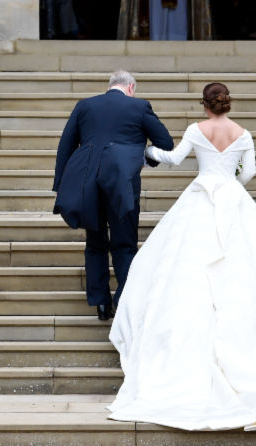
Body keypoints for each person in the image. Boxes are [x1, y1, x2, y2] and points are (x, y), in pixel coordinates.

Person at [107, 82, 256, 430]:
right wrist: (230, 179)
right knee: (245, 271)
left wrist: (148, 153)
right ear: (227, 105)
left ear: (204, 105)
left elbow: (174, 158)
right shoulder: (243, 133)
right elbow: (248, 173)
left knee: (179, 269)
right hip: (233, 200)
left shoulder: (196, 129)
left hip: (201, 196)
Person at [52, 70, 174, 321]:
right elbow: (166, 142)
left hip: (88, 184)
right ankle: (125, 300)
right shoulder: (139, 107)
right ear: (130, 88)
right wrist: (142, 159)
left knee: (95, 243)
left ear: (111, 86)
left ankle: (100, 303)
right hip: (122, 184)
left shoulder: (85, 106)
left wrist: (61, 185)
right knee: (124, 244)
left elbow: (65, 146)